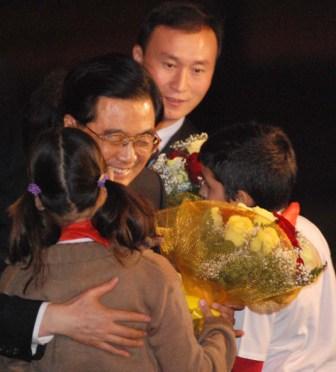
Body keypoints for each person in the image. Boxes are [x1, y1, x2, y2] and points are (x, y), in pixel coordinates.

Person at [0, 127, 237, 371]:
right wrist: (218, 329)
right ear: (102, 190)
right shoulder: (150, 272)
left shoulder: (16, 279)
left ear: (37, 199)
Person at [198, 121, 336, 371]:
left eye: (208, 186)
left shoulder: (249, 259)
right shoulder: (307, 229)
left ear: (240, 199)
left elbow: (245, 362)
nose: (201, 193)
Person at [61, 53, 166, 209]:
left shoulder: (150, 188)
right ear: (72, 127)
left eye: (142, 140)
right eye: (115, 138)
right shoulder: (45, 195)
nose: (128, 157)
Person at [133, 1, 222, 154]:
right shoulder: (91, 134)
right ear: (139, 57)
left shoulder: (204, 163)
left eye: (197, 70)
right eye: (169, 65)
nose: (180, 85)